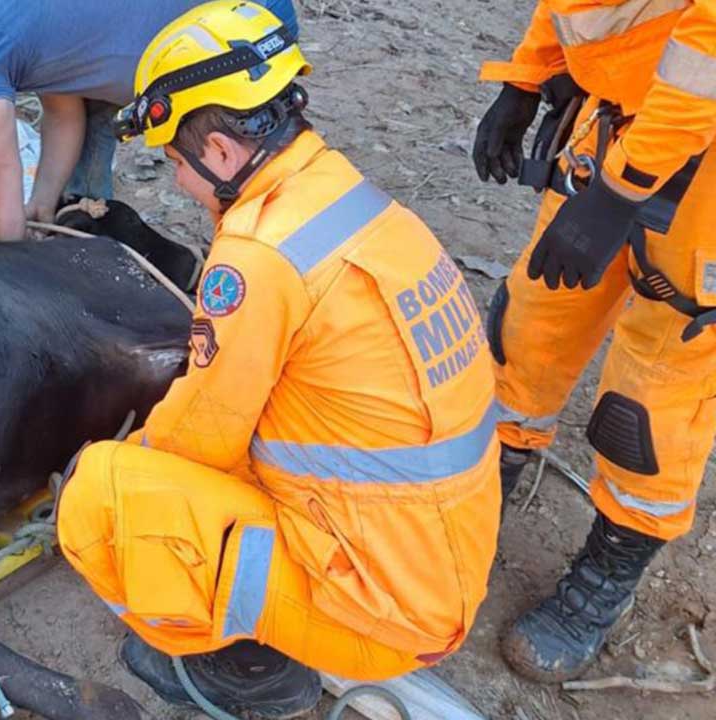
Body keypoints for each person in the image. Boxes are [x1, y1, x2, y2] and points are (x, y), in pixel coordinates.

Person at [54, 2, 502, 717]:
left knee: (98, 492)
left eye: (176, 163)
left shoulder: (258, 257)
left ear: (223, 154)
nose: (179, 185)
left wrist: (131, 459)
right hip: (435, 561)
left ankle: (243, 667)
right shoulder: (350, 199)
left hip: (380, 609)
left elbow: (195, 440)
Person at [473, 0, 716, 683]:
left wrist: (618, 194)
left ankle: (612, 566)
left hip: (705, 177)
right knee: (528, 328)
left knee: (653, 396)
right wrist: (524, 83)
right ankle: (481, 488)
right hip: (614, 121)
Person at [0, 0, 294, 240]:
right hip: (256, 19)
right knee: (100, 107)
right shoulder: (17, 23)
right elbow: (63, 113)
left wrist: (2, 265)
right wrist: (41, 202)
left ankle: (266, 259)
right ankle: (88, 219)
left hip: (238, 35)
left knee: (231, 171)